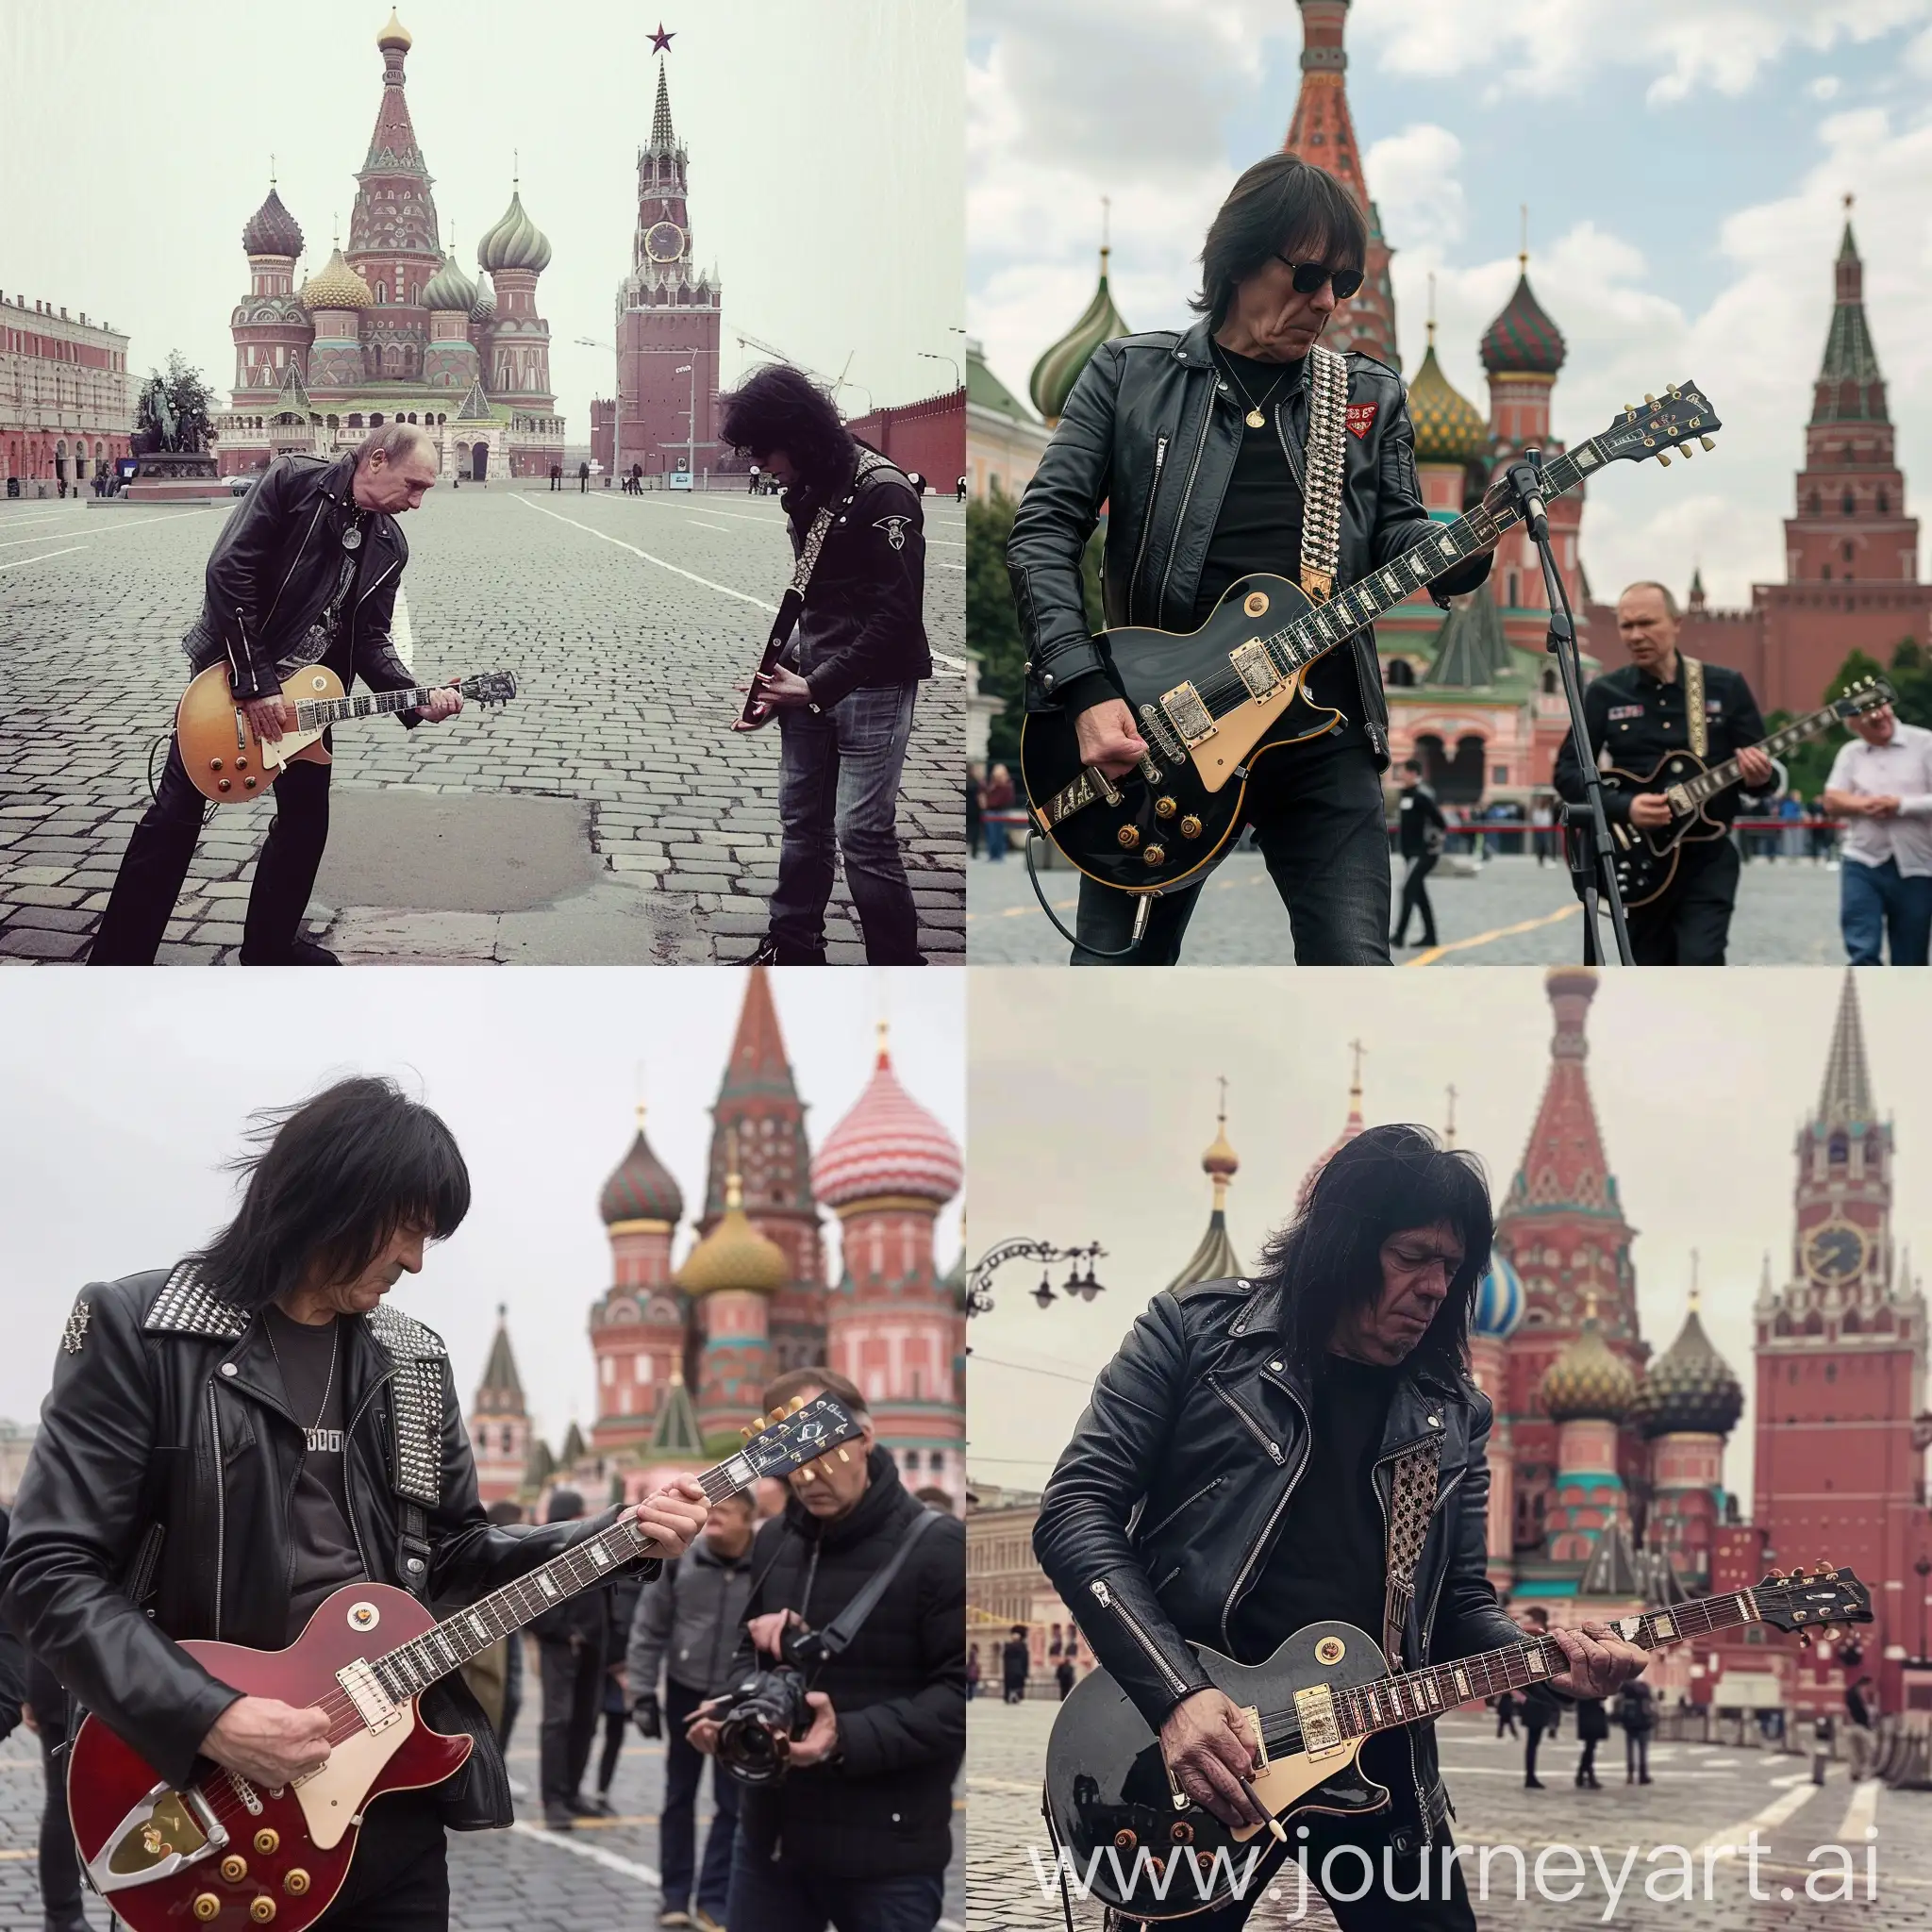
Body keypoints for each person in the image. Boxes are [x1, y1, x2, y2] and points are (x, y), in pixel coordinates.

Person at [0, 1076, 707, 1932]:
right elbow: (49, 1570)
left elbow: (455, 1555)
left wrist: (617, 1537)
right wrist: (210, 1714)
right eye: (409, 1227)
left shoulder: (412, 1361)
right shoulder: (144, 1330)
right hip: (210, 1787)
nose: (415, 1260)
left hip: (391, 1800)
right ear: (331, 1197)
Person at [1032, 1125, 1644, 1927]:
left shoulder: (1452, 1409)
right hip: (1204, 1753)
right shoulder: (1195, 1335)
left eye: (1451, 1268)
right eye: (1413, 1257)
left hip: (1379, 1754)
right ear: (1343, 1245)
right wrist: (1178, 1697)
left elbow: (1456, 1601)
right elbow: (1076, 1508)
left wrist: (1544, 1665)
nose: (1435, 1287)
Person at [1007, 154, 1496, 966]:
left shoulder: (1370, 396)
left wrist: (1477, 534)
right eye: (1308, 274)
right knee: (1116, 988)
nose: (1326, 303)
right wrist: (1085, 691)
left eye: (1343, 282)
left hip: (1324, 730)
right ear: (1237, 258)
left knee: (1355, 972)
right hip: (1161, 730)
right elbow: (1042, 532)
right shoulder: (1130, 374)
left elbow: (1405, 540)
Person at [88, 424, 464, 966]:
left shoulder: (389, 544)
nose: (418, 502)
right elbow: (229, 572)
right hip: (232, 682)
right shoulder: (293, 482)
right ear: (376, 460)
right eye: (413, 486)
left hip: (312, 701)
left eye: (425, 490)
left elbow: (369, 637)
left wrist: (413, 698)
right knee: (173, 820)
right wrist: (256, 684)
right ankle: (116, 964)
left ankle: (268, 948)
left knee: (306, 824)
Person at [687, 1368, 965, 1932]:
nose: (806, 1471)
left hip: (888, 1854)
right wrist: (734, 1708)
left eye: (821, 1444)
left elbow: (961, 1698)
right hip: (772, 1844)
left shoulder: (939, 1546)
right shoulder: (773, 1539)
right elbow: (751, 1653)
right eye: (784, 1453)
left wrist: (845, 1738)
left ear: (864, 1437)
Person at [722, 365, 933, 965]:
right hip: (809, 678)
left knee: (863, 836)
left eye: (763, 449)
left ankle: (897, 970)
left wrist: (815, 686)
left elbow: (895, 620)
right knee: (801, 825)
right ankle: (793, 949)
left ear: (797, 431)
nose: (759, 464)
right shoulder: (812, 483)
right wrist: (781, 679)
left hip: (873, 685)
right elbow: (812, 599)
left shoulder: (884, 492)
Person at [1554, 580, 1774, 965]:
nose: (1636, 635)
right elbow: (1567, 773)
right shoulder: (1605, 693)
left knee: (1700, 961)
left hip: (1706, 858)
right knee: (1648, 968)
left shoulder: (1724, 686)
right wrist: (1626, 806)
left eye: (1647, 623)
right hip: (1639, 859)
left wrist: (1760, 777)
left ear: (1676, 622)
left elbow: (1764, 776)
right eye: (1626, 626)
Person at [629, 1488, 758, 1932]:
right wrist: (642, 1694)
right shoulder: (682, 1561)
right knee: (678, 1797)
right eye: (712, 1511)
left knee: (732, 1804)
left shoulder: (766, 1565)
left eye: (726, 1511)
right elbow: (650, 1626)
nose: (715, 1519)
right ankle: (674, 1896)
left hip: (737, 1700)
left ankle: (714, 1899)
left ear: (749, 1518)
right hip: (684, 1693)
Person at [1822, 700, 1932, 966]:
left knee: (1911, 957)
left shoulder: (1925, 743)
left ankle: (1903, 1006)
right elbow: (1832, 800)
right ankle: (1869, 1004)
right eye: (1869, 719)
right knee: (1862, 949)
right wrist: (1865, 805)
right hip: (1862, 860)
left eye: (1882, 711)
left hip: (1917, 864)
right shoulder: (1851, 754)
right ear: (1854, 726)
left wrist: (1901, 805)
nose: (1879, 719)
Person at [532, 1487, 610, 1830]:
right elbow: (531, 1605)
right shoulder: (544, 1548)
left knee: (585, 1721)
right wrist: (566, 1634)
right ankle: (555, 1801)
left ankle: (573, 1792)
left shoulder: (591, 1546)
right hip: (561, 1647)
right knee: (558, 1722)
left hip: (593, 1646)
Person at [592, 1565, 647, 1815]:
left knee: (615, 1729)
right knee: (587, 1726)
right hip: (602, 1657)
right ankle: (569, 1791)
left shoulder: (646, 1574)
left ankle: (602, 1790)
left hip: (624, 1661)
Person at [1390, 758, 1447, 949]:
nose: (1400, 776)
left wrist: (1428, 844)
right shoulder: (1405, 795)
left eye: (1403, 772)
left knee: (1407, 890)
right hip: (1410, 854)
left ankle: (1399, 936)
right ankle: (1431, 937)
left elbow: (1440, 822)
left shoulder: (1422, 795)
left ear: (1413, 773)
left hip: (1421, 854)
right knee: (1418, 895)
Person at [1617, 1678, 1656, 1784]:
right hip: (1643, 1722)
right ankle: (1643, 1775)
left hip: (1630, 1722)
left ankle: (1630, 1774)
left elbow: (1619, 1701)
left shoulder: (1626, 1688)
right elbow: (1651, 1704)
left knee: (1630, 1749)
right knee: (1643, 1750)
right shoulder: (1644, 1689)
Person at [1845, 1674, 1879, 1780]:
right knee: (1870, 1749)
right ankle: (1863, 1771)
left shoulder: (1850, 1692)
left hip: (1852, 1725)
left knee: (1854, 1751)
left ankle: (1855, 1772)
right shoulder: (1860, 1694)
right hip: (1862, 1726)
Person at [983, 763, 1015, 861]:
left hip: (1001, 812)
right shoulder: (991, 785)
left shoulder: (1007, 786)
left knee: (1000, 834)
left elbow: (1009, 799)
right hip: (991, 812)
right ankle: (992, 854)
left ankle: (999, 854)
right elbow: (986, 796)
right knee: (991, 835)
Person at [1574, 1694, 1607, 1789]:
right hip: (1591, 1717)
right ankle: (1585, 1775)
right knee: (1590, 1748)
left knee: (1590, 1748)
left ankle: (1583, 1775)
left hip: (1589, 1715)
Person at [1002, 1624, 1030, 1704]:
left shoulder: (1008, 1646)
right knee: (1017, 1685)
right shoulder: (1022, 1647)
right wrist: (1025, 1672)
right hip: (1017, 1670)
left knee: (1011, 1685)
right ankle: (1015, 1695)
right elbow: (1025, 1660)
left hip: (1011, 1670)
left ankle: (1011, 1696)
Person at [966, 761, 985, 858]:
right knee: (975, 831)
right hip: (974, 809)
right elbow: (979, 796)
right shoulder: (975, 782)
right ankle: (974, 852)